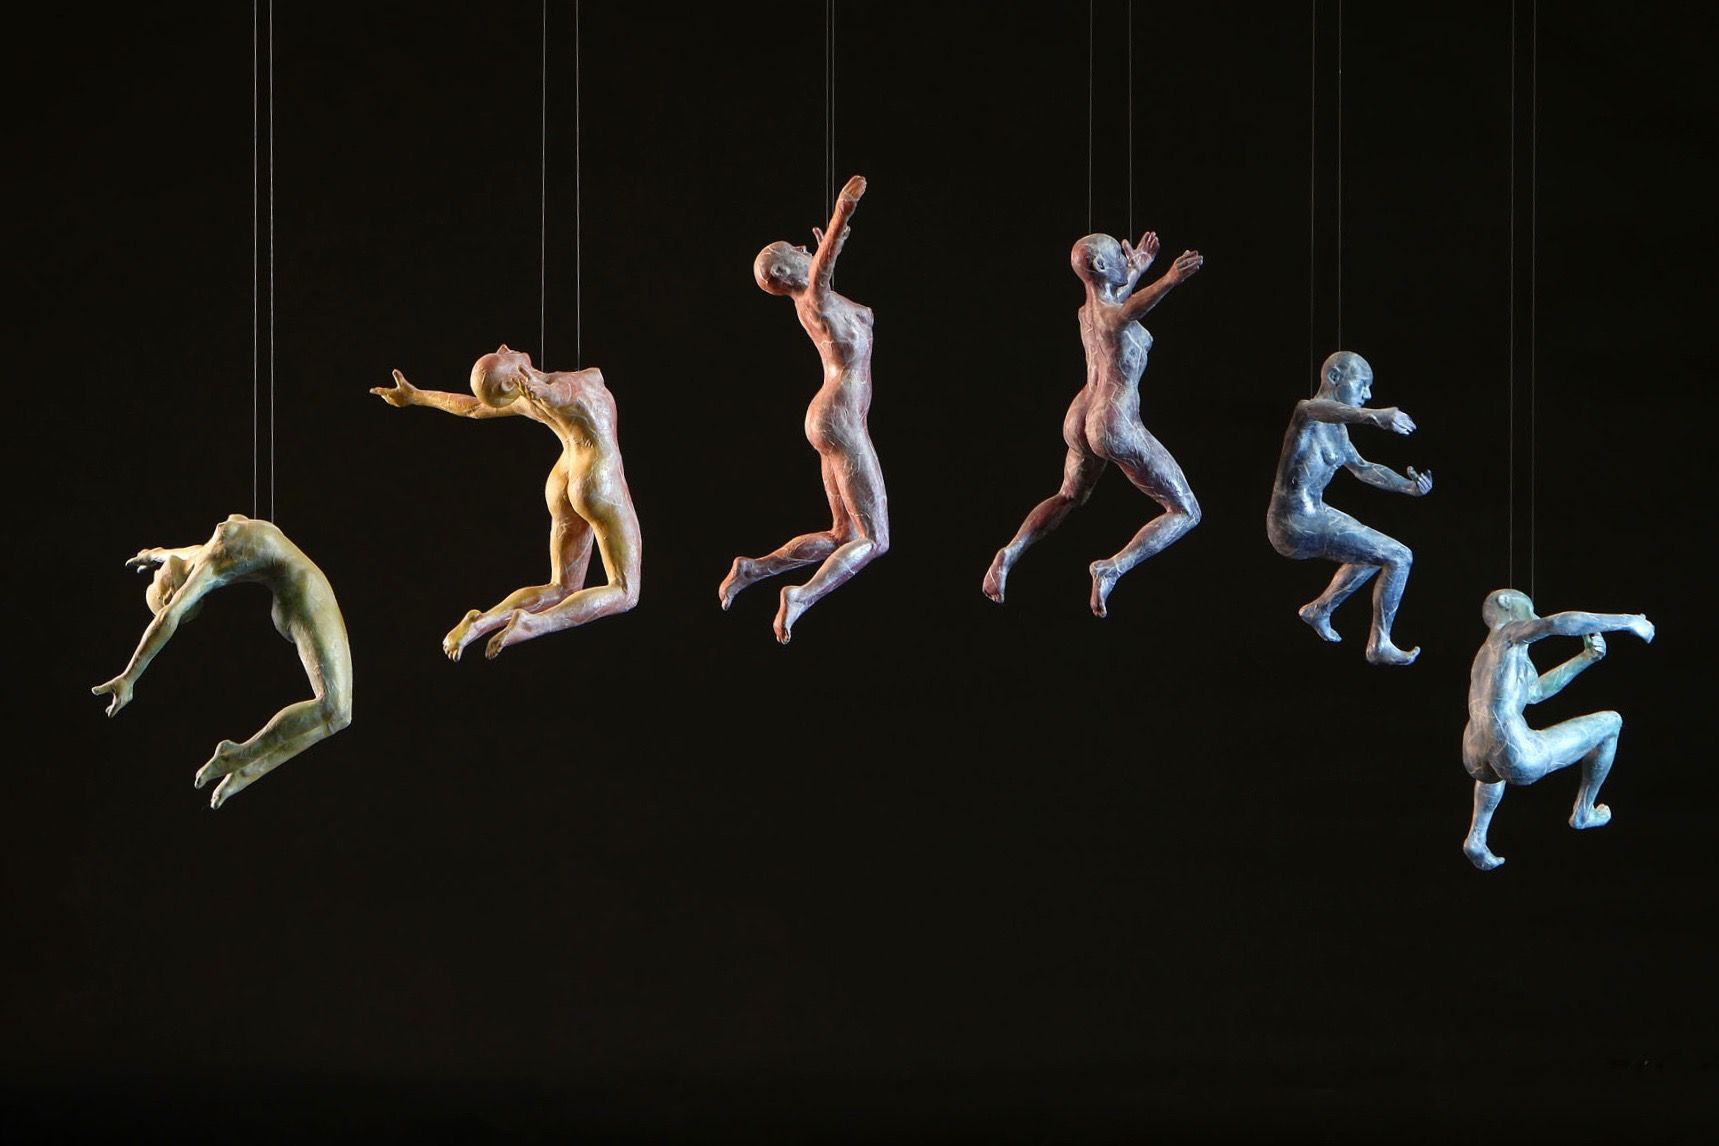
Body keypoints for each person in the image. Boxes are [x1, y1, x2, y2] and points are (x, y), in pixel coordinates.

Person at [982, 231, 1204, 617]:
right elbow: (1125, 312)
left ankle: (1009, 553)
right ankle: (1112, 568)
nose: (1125, 257)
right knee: (1186, 511)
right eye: (1118, 254)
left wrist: (1136, 269)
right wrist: (1169, 279)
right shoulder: (1114, 315)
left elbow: (1114, 302)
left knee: (1068, 495)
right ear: (1101, 265)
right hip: (1113, 419)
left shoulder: (1086, 312)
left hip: (1081, 413)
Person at [372, 347, 642, 659]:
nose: (503, 347)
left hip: (564, 478)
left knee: (561, 587)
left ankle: (481, 622)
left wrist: (417, 396)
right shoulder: (551, 390)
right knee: (625, 591)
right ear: (509, 383)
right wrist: (544, 391)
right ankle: (534, 624)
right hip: (597, 479)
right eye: (501, 356)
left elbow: (473, 409)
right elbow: (564, 394)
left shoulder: (526, 398)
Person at [720, 174, 888, 644]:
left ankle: (753, 569)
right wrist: (842, 212)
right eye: (792, 250)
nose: (802, 247)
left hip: (831, 416)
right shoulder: (812, 296)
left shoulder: (823, 300)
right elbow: (821, 271)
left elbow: (853, 304)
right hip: (840, 417)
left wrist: (832, 249)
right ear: (785, 272)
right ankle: (800, 596)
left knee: (842, 535)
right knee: (875, 539)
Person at [91, 515, 353, 809]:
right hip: (304, 592)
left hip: (296, 588)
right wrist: (129, 676)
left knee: (339, 717)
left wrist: (153, 554)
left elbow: (179, 555)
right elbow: (168, 616)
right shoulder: (209, 565)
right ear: (173, 592)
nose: (157, 576)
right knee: (333, 706)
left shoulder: (199, 554)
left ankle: (247, 769)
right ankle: (238, 756)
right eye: (158, 586)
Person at [1460, 590, 1655, 870]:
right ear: (1505, 602)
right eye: (1529, 607)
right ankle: (1584, 812)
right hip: (1516, 752)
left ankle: (1477, 837)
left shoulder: (1493, 654)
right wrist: (1627, 621)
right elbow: (1556, 623)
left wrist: (1586, 657)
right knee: (1611, 722)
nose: (1534, 614)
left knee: (1494, 765)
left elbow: (1536, 692)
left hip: (1474, 753)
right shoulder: (1507, 632)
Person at [1265, 351, 1432, 665]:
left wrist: (1407, 486)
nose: (1367, 394)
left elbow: (1364, 468)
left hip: (1317, 512)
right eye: (1362, 384)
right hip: (1292, 523)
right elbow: (1316, 409)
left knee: (1376, 554)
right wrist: (1376, 416)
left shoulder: (1339, 432)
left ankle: (1319, 609)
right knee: (1399, 556)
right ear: (1334, 377)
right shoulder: (1307, 414)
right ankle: (1380, 644)